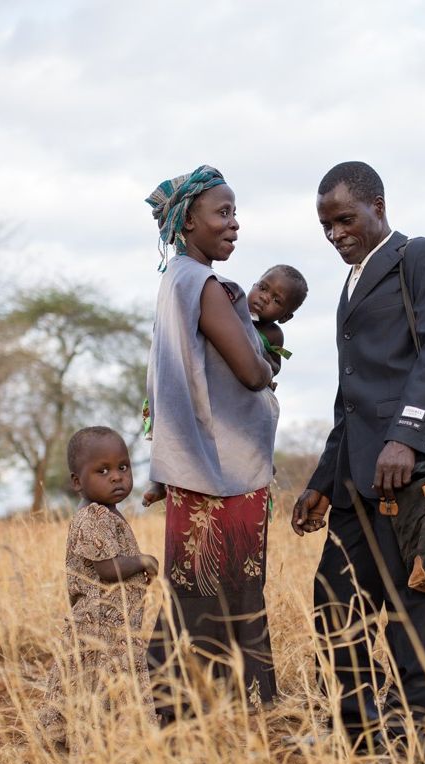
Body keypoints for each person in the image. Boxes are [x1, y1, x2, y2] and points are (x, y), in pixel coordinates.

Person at [291, 161, 425, 764]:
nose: (336, 233)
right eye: (325, 226)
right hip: (353, 484)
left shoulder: (424, 257)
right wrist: (321, 481)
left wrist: (408, 436)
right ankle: (364, 738)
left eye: (345, 218)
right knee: (333, 605)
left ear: (378, 206)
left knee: (411, 612)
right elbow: (351, 396)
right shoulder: (349, 284)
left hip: (407, 474)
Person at [144, 165, 280, 719]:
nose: (234, 225)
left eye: (234, 213)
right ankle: (240, 708)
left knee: (194, 588)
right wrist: (269, 361)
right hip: (225, 472)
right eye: (222, 213)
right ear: (187, 220)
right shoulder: (203, 284)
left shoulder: (174, 281)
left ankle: (184, 708)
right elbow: (251, 372)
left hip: (196, 468)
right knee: (232, 590)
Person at [142, 263, 308, 506]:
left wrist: (264, 375)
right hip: (211, 389)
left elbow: (271, 365)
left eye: (276, 299)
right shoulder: (230, 310)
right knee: (168, 420)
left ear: (285, 316)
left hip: (242, 396)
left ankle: (262, 463)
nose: (263, 298)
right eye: (262, 287)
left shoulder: (273, 335)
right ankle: (158, 480)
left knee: (259, 423)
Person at [39, 426, 159, 749]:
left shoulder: (108, 514)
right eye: (102, 471)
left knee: (92, 688)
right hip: (101, 627)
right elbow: (107, 569)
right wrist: (142, 561)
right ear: (77, 482)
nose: (117, 477)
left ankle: (85, 745)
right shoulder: (93, 516)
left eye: (123, 467)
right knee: (99, 688)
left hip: (114, 626)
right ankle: (90, 749)